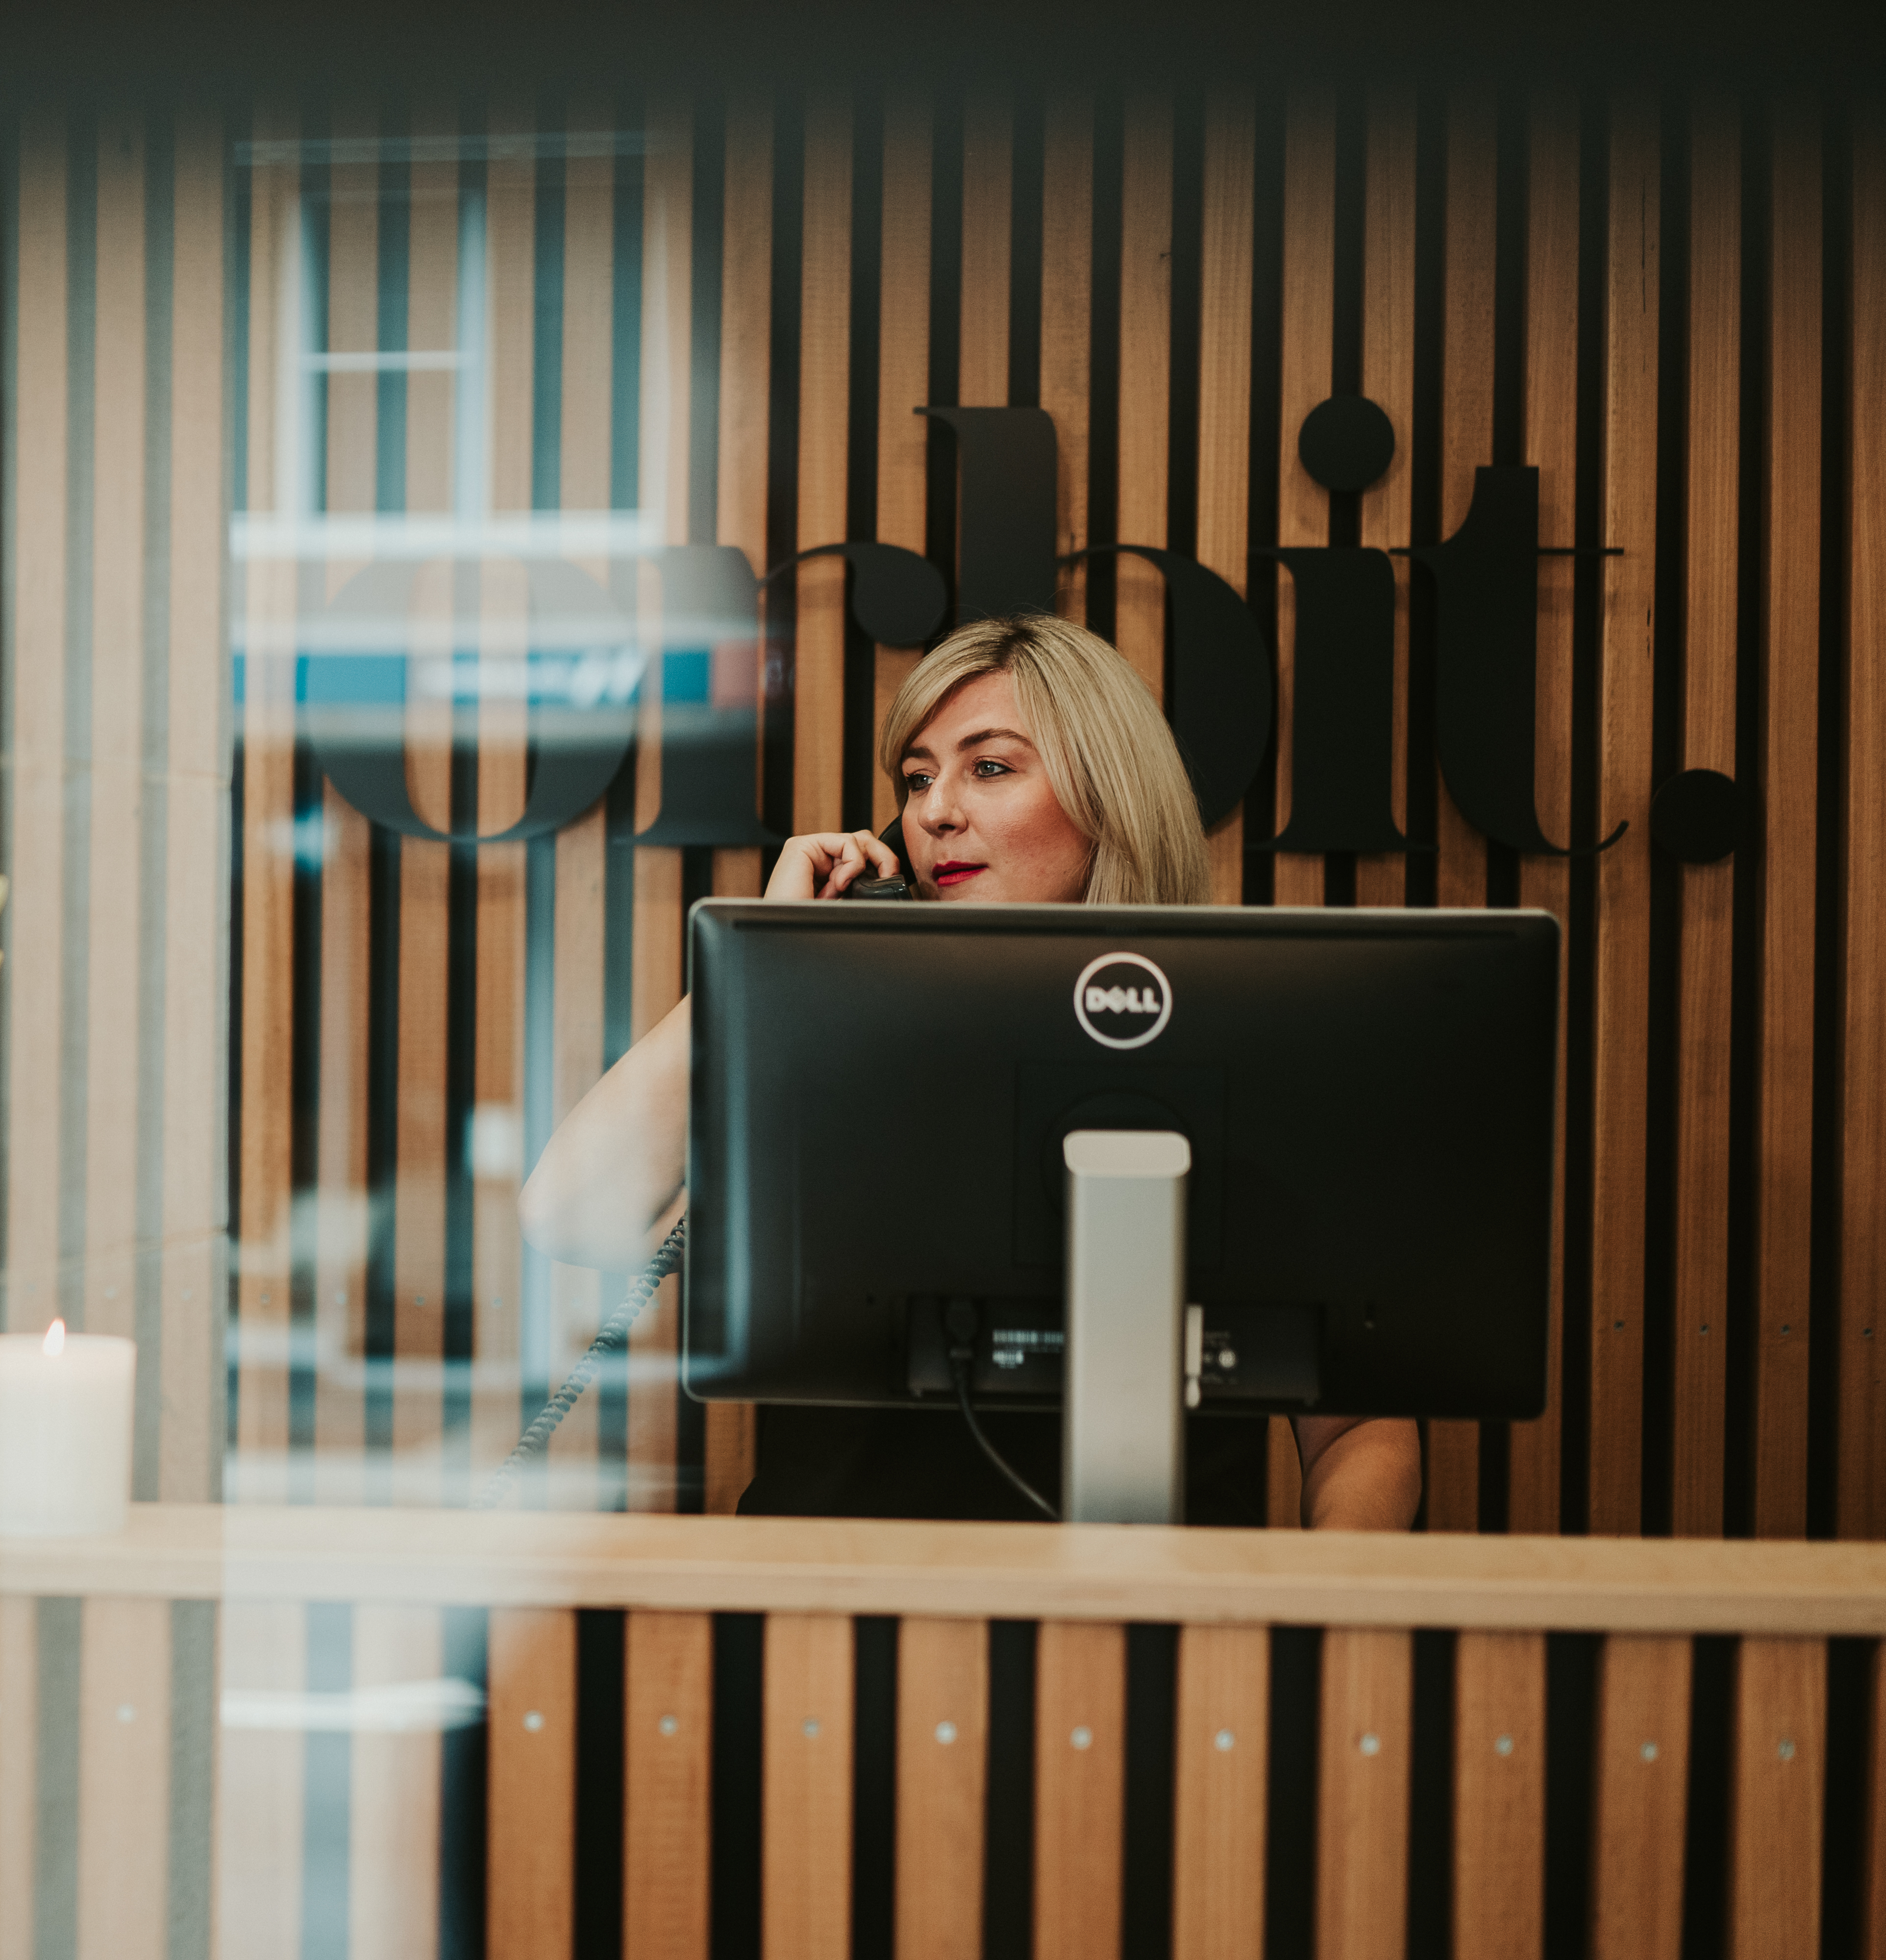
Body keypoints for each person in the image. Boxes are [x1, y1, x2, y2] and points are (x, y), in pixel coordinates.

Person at [519, 612, 1422, 1531]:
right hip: (825, 1624)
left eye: (989, 767)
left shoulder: (1254, 1054)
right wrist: (760, 961)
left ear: (1107, 799)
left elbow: (1360, 1431)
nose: (935, 811)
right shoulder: (837, 1053)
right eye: (916, 779)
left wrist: (1319, 1628)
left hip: (1158, 1628)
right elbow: (568, 1212)